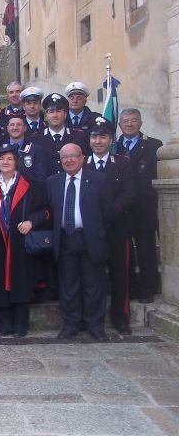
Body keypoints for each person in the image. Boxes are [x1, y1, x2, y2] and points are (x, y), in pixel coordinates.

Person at [0, 144, 48, 337]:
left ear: (16, 162)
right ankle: (5, 324)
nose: (5, 162)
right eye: (2, 159)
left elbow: (45, 211)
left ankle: (21, 325)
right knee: (0, 282)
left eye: (9, 159)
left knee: (21, 282)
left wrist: (31, 222)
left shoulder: (30, 184)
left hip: (20, 242)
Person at [47, 143, 111, 341]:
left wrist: (97, 231)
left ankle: (95, 325)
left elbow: (107, 211)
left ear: (82, 158)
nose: (68, 160)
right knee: (68, 285)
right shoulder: (52, 182)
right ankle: (71, 324)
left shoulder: (98, 180)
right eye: (64, 157)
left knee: (93, 285)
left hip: (90, 238)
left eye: (73, 156)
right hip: (65, 238)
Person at [87, 117, 136, 334]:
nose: (98, 141)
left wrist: (110, 212)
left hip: (117, 228)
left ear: (110, 139)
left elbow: (130, 193)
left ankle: (120, 316)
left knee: (119, 274)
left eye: (102, 136)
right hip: (92, 230)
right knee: (93, 275)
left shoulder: (123, 163)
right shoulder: (83, 163)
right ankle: (92, 317)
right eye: (94, 136)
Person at [117, 107, 163, 303]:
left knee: (146, 251)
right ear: (120, 125)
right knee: (123, 253)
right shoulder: (114, 146)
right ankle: (130, 289)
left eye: (133, 120)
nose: (129, 124)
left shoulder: (153, 145)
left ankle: (148, 289)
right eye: (125, 121)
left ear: (140, 123)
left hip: (144, 206)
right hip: (122, 208)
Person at [32, 93, 91, 174]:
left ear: (65, 114)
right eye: (51, 112)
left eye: (59, 111)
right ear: (46, 115)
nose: (55, 115)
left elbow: (86, 163)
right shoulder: (35, 139)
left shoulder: (79, 136)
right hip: (45, 185)